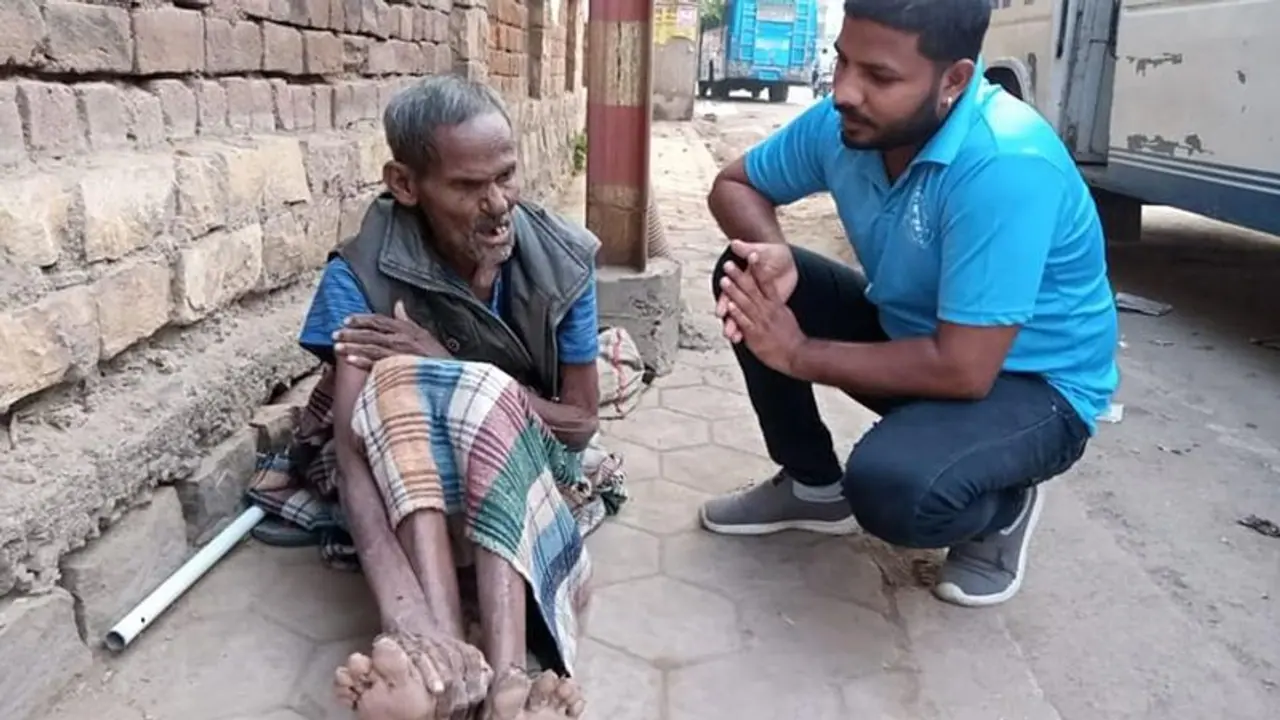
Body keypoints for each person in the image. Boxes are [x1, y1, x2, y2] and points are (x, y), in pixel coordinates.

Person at [701, 0, 1119, 608]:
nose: (845, 91)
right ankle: (813, 485)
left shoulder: (1004, 163)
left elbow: (964, 369)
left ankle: (1004, 501)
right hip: (918, 336)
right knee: (747, 271)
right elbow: (735, 183)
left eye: (879, 76)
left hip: (1032, 387)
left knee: (895, 491)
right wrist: (774, 251)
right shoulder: (847, 125)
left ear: (953, 79)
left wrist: (800, 354)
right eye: (843, 61)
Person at [281, 74, 600, 720]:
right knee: (394, 380)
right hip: (406, 480)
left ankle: (501, 675)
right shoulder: (361, 272)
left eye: (506, 176)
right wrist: (405, 612)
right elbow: (350, 454)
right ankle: (447, 659)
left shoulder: (563, 262)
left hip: (515, 465)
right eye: (467, 187)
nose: (499, 204)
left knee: (477, 389)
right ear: (404, 184)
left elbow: (581, 423)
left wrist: (450, 364)